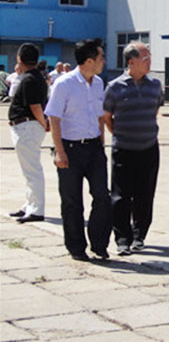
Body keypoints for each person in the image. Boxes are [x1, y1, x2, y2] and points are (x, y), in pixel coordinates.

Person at [45, 39, 111, 261]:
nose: (104, 61)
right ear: (89, 61)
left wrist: (101, 144)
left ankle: (99, 244)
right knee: (72, 201)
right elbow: (54, 118)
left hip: (94, 148)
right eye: (101, 57)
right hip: (70, 148)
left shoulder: (99, 83)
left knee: (102, 196)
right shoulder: (64, 84)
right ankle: (76, 247)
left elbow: (100, 117)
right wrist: (59, 152)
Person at [103, 42, 164, 256]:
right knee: (121, 196)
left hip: (149, 148)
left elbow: (154, 110)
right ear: (131, 62)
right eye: (145, 58)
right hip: (124, 149)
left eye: (149, 57)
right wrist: (120, 133)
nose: (149, 62)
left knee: (145, 195)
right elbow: (107, 117)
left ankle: (139, 236)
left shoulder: (155, 85)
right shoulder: (114, 87)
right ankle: (122, 239)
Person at [7, 43, 49, 223]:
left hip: (27, 126)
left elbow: (35, 106)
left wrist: (44, 124)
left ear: (19, 58)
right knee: (29, 170)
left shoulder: (30, 79)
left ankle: (36, 209)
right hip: (29, 127)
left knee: (32, 171)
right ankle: (29, 204)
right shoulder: (36, 77)